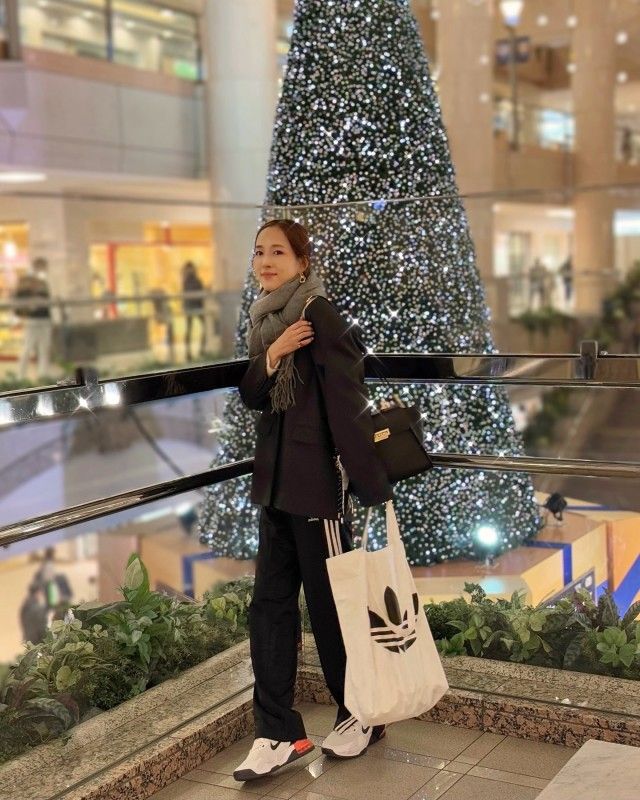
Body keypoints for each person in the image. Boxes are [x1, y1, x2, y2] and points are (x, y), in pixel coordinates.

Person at [233, 219, 393, 782]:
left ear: (302, 262)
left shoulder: (319, 315)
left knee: (332, 610)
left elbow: (349, 402)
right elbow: (251, 394)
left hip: (317, 492)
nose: (265, 261)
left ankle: (360, 713)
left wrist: (370, 486)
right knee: (269, 611)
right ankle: (279, 732)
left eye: (278, 252)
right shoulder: (266, 322)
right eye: (259, 251)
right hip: (275, 489)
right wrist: (273, 353)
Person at [14, 257, 53, 379]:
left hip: (45, 318)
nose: (43, 270)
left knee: (44, 348)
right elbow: (19, 299)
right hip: (32, 319)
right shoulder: (26, 282)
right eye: (41, 267)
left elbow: (48, 300)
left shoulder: (44, 283)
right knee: (28, 347)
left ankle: (43, 375)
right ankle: (20, 376)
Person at [182, 261, 205, 361]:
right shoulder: (186, 281)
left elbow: (200, 294)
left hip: (197, 307)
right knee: (189, 329)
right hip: (191, 307)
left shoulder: (193, 280)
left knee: (204, 328)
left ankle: (201, 350)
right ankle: (188, 353)